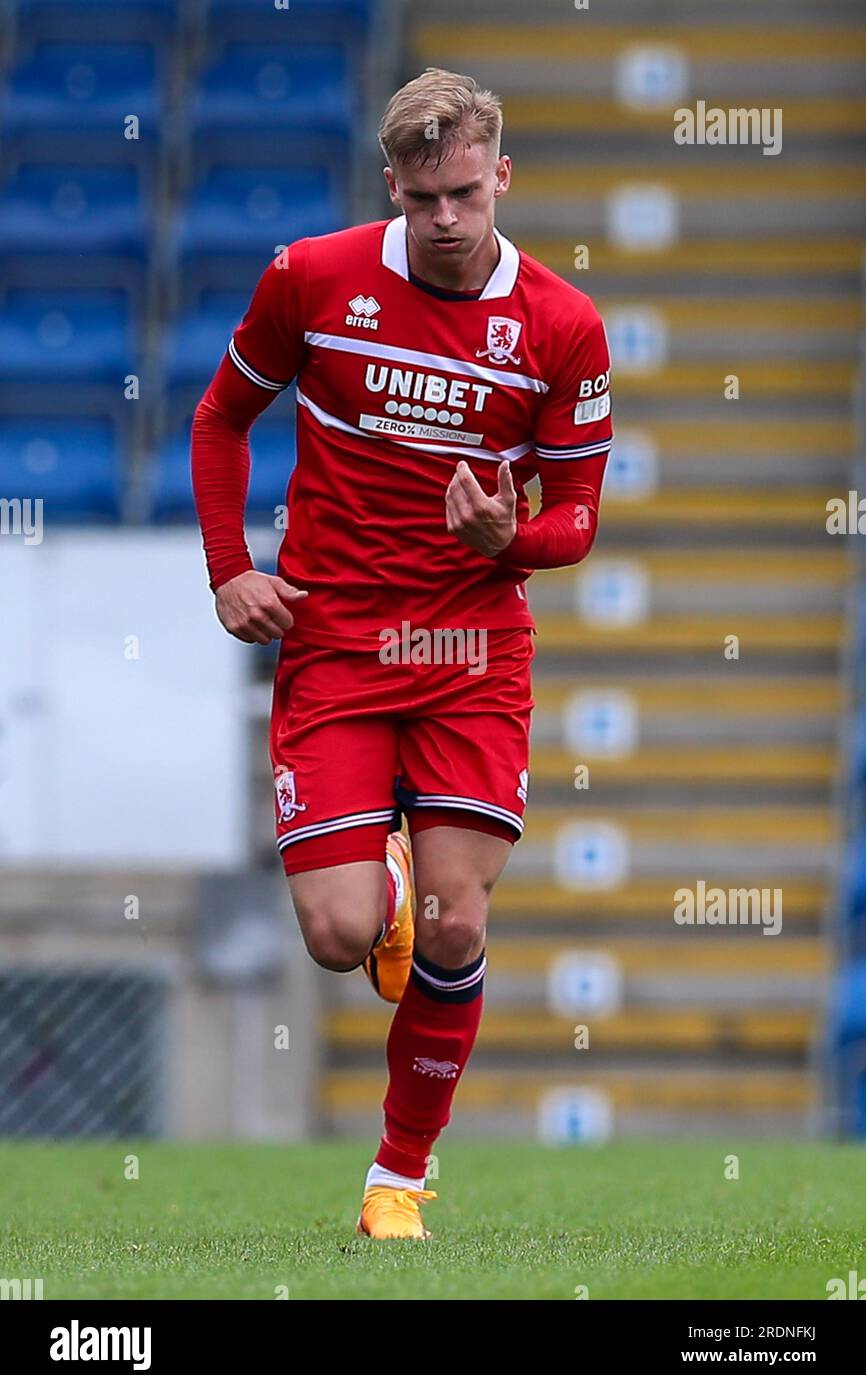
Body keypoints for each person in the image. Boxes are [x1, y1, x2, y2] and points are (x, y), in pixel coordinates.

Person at [191, 67, 613, 1239]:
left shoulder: (561, 326)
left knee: (456, 927)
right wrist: (230, 567)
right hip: (333, 640)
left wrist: (511, 536)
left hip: (472, 648)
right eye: (423, 196)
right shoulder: (312, 278)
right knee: (336, 940)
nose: (444, 218)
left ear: (501, 180)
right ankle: (372, 875)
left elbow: (577, 516)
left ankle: (396, 1177)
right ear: (393, 185)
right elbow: (221, 415)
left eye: (465, 194)